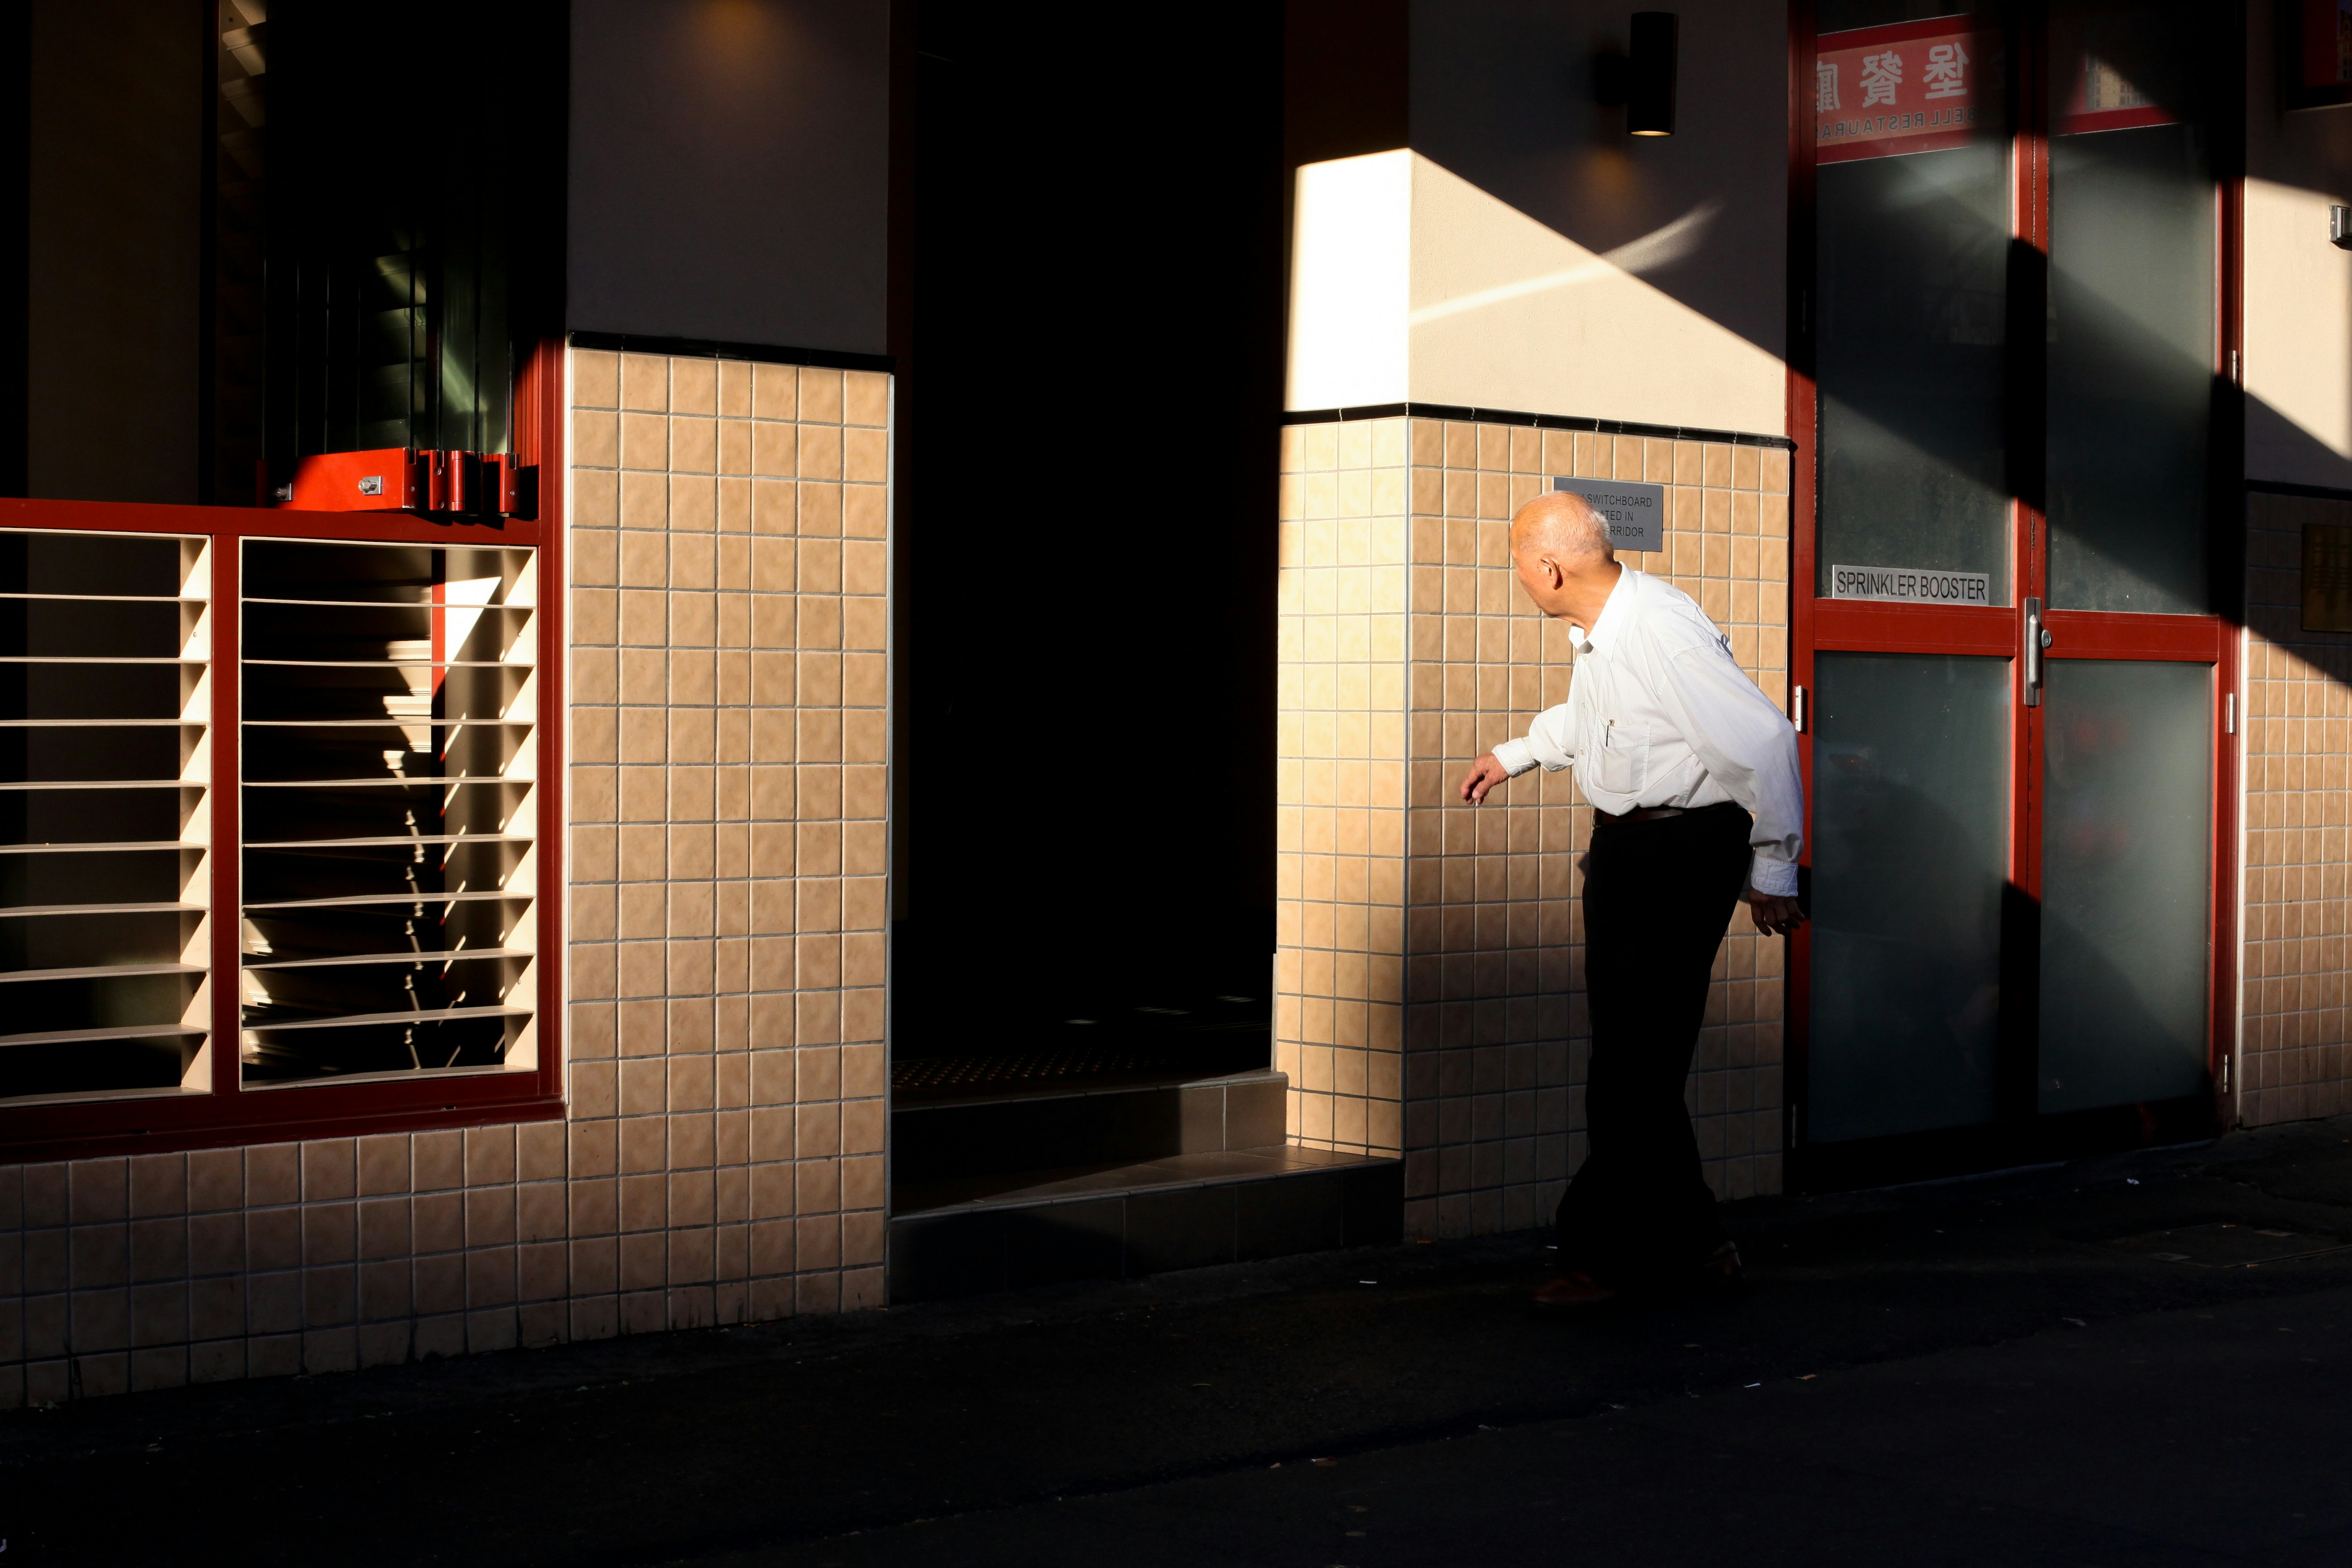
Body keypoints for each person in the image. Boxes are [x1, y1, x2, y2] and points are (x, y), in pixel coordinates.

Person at [1457, 490, 1804, 1309]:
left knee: (1628, 1071)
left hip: (1679, 853)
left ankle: (1604, 1261)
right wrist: (1518, 754)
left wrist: (1774, 869)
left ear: (1547, 567)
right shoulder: (1605, 630)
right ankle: (1698, 1245)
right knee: (1637, 1066)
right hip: (1630, 852)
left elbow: (1763, 741)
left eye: (1517, 564)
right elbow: (1600, 720)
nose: (1519, 579)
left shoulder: (1656, 628)